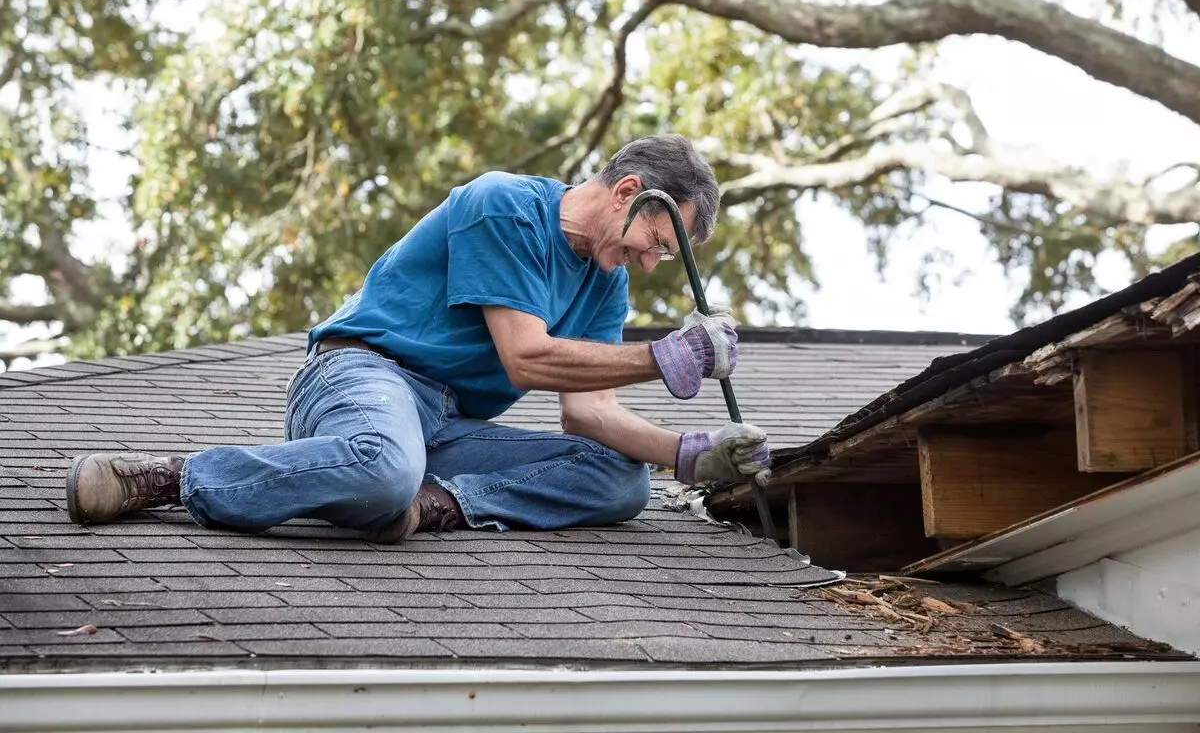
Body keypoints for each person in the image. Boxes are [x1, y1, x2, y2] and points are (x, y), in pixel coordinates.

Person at [65, 134, 772, 542]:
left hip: (443, 426)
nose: (650, 263)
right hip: (361, 377)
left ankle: (427, 508)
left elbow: (591, 413)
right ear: (628, 194)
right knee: (382, 465)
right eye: (655, 241)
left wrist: (693, 455)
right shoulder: (505, 206)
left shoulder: (604, 281)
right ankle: (174, 478)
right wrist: (666, 358)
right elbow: (525, 358)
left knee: (620, 481)